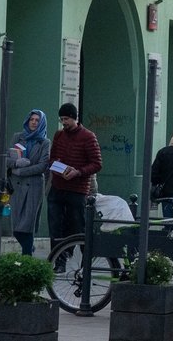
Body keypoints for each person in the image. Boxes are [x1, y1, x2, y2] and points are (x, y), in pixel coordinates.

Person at [48, 103, 102, 271]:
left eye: (66, 119)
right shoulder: (59, 136)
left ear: (74, 118)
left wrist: (78, 172)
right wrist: (60, 170)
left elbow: (97, 163)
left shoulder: (88, 137)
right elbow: (51, 160)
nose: (64, 122)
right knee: (55, 226)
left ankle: (86, 262)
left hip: (78, 189)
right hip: (58, 187)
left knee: (78, 226)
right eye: (62, 119)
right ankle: (60, 262)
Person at [8, 109, 51, 255]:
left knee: (28, 224)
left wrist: (22, 171)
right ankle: (29, 247)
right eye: (31, 119)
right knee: (16, 227)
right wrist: (16, 164)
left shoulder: (45, 142)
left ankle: (26, 257)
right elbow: (6, 158)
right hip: (16, 186)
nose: (33, 122)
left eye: (37, 120)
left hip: (33, 186)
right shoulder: (18, 137)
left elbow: (43, 165)